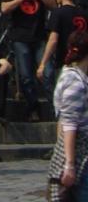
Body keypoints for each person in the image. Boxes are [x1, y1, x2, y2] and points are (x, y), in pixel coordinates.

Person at [1, 0, 54, 119]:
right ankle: (32, 106)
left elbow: (53, 5)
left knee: (47, 72)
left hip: (39, 35)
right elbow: (4, 8)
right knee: (26, 75)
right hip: (20, 36)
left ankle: (54, 107)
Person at [48, 29, 88, 202]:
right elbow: (69, 124)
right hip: (80, 157)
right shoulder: (74, 82)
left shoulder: (75, 75)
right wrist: (69, 164)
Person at [39, 0, 88, 89]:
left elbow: (53, 40)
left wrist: (43, 63)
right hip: (84, 61)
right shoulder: (84, 13)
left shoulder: (58, 13)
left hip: (65, 60)